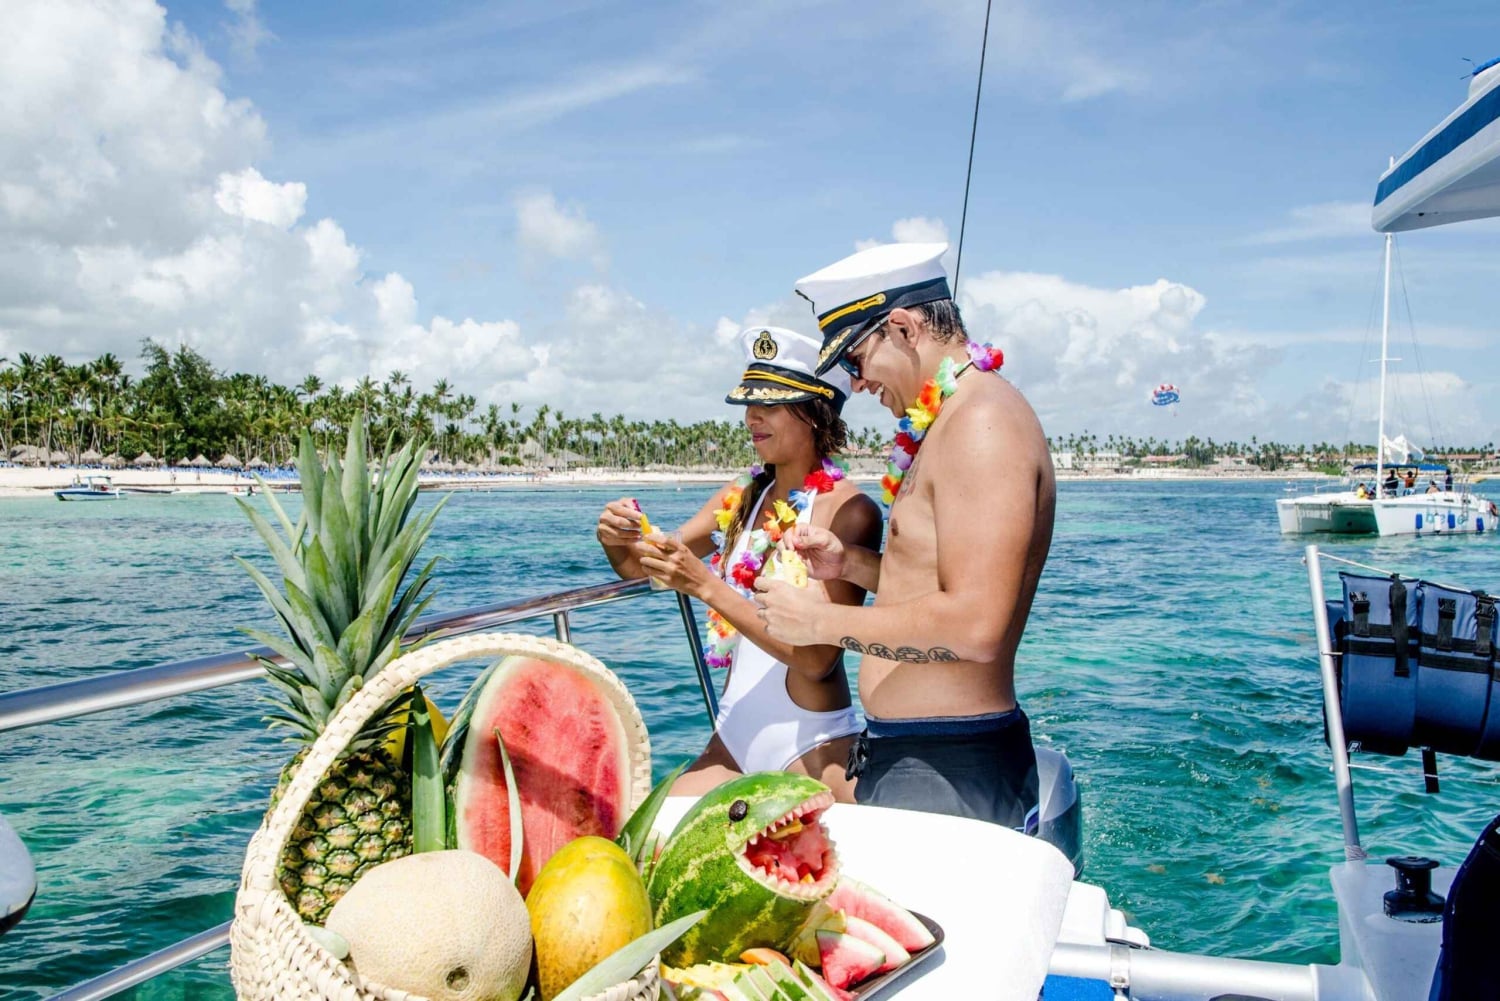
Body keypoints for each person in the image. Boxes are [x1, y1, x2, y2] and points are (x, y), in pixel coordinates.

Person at [755, 242, 1055, 832]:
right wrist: (853, 565)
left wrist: (818, 625)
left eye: (856, 359)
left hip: (949, 768)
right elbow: (939, 579)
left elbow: (975, 627)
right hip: (919, 753)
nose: (857, 383)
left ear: (901, 327)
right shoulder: (953, 417)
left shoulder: (980, 424)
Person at [594, 326, 882, 800]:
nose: (752, 417)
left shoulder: (849, 511)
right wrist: (616, 535)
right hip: (731, 738)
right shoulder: (741, 496)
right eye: (749, 404)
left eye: (770, 405)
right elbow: (641, 568)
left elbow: (816, 658)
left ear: (814, 412)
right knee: (651, 839)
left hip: (812, 745)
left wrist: (706, 585)